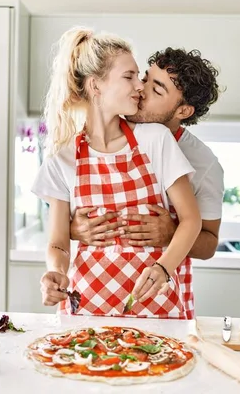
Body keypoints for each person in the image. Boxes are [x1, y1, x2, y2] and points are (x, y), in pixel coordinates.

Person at [31, 27, 201, 319]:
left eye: (139, 76)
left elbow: (191, 219)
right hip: (86, 308)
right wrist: (54, 273)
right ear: (96, 86)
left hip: (155, 308)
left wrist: (163, 268)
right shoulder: (63, 158)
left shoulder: (155, 139)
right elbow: (58, 243)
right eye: (129, 76)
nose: (139, 86)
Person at [70, 48, 225, 319]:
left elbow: (209, 245)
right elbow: (67, 214)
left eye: (157, 90)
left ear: (183, 110)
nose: (140, 90)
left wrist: (171, 233)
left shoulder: (204, 164)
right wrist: (75, 229)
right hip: (97, 296)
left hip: (163, 299)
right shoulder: (104, 134)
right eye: (144, 78)